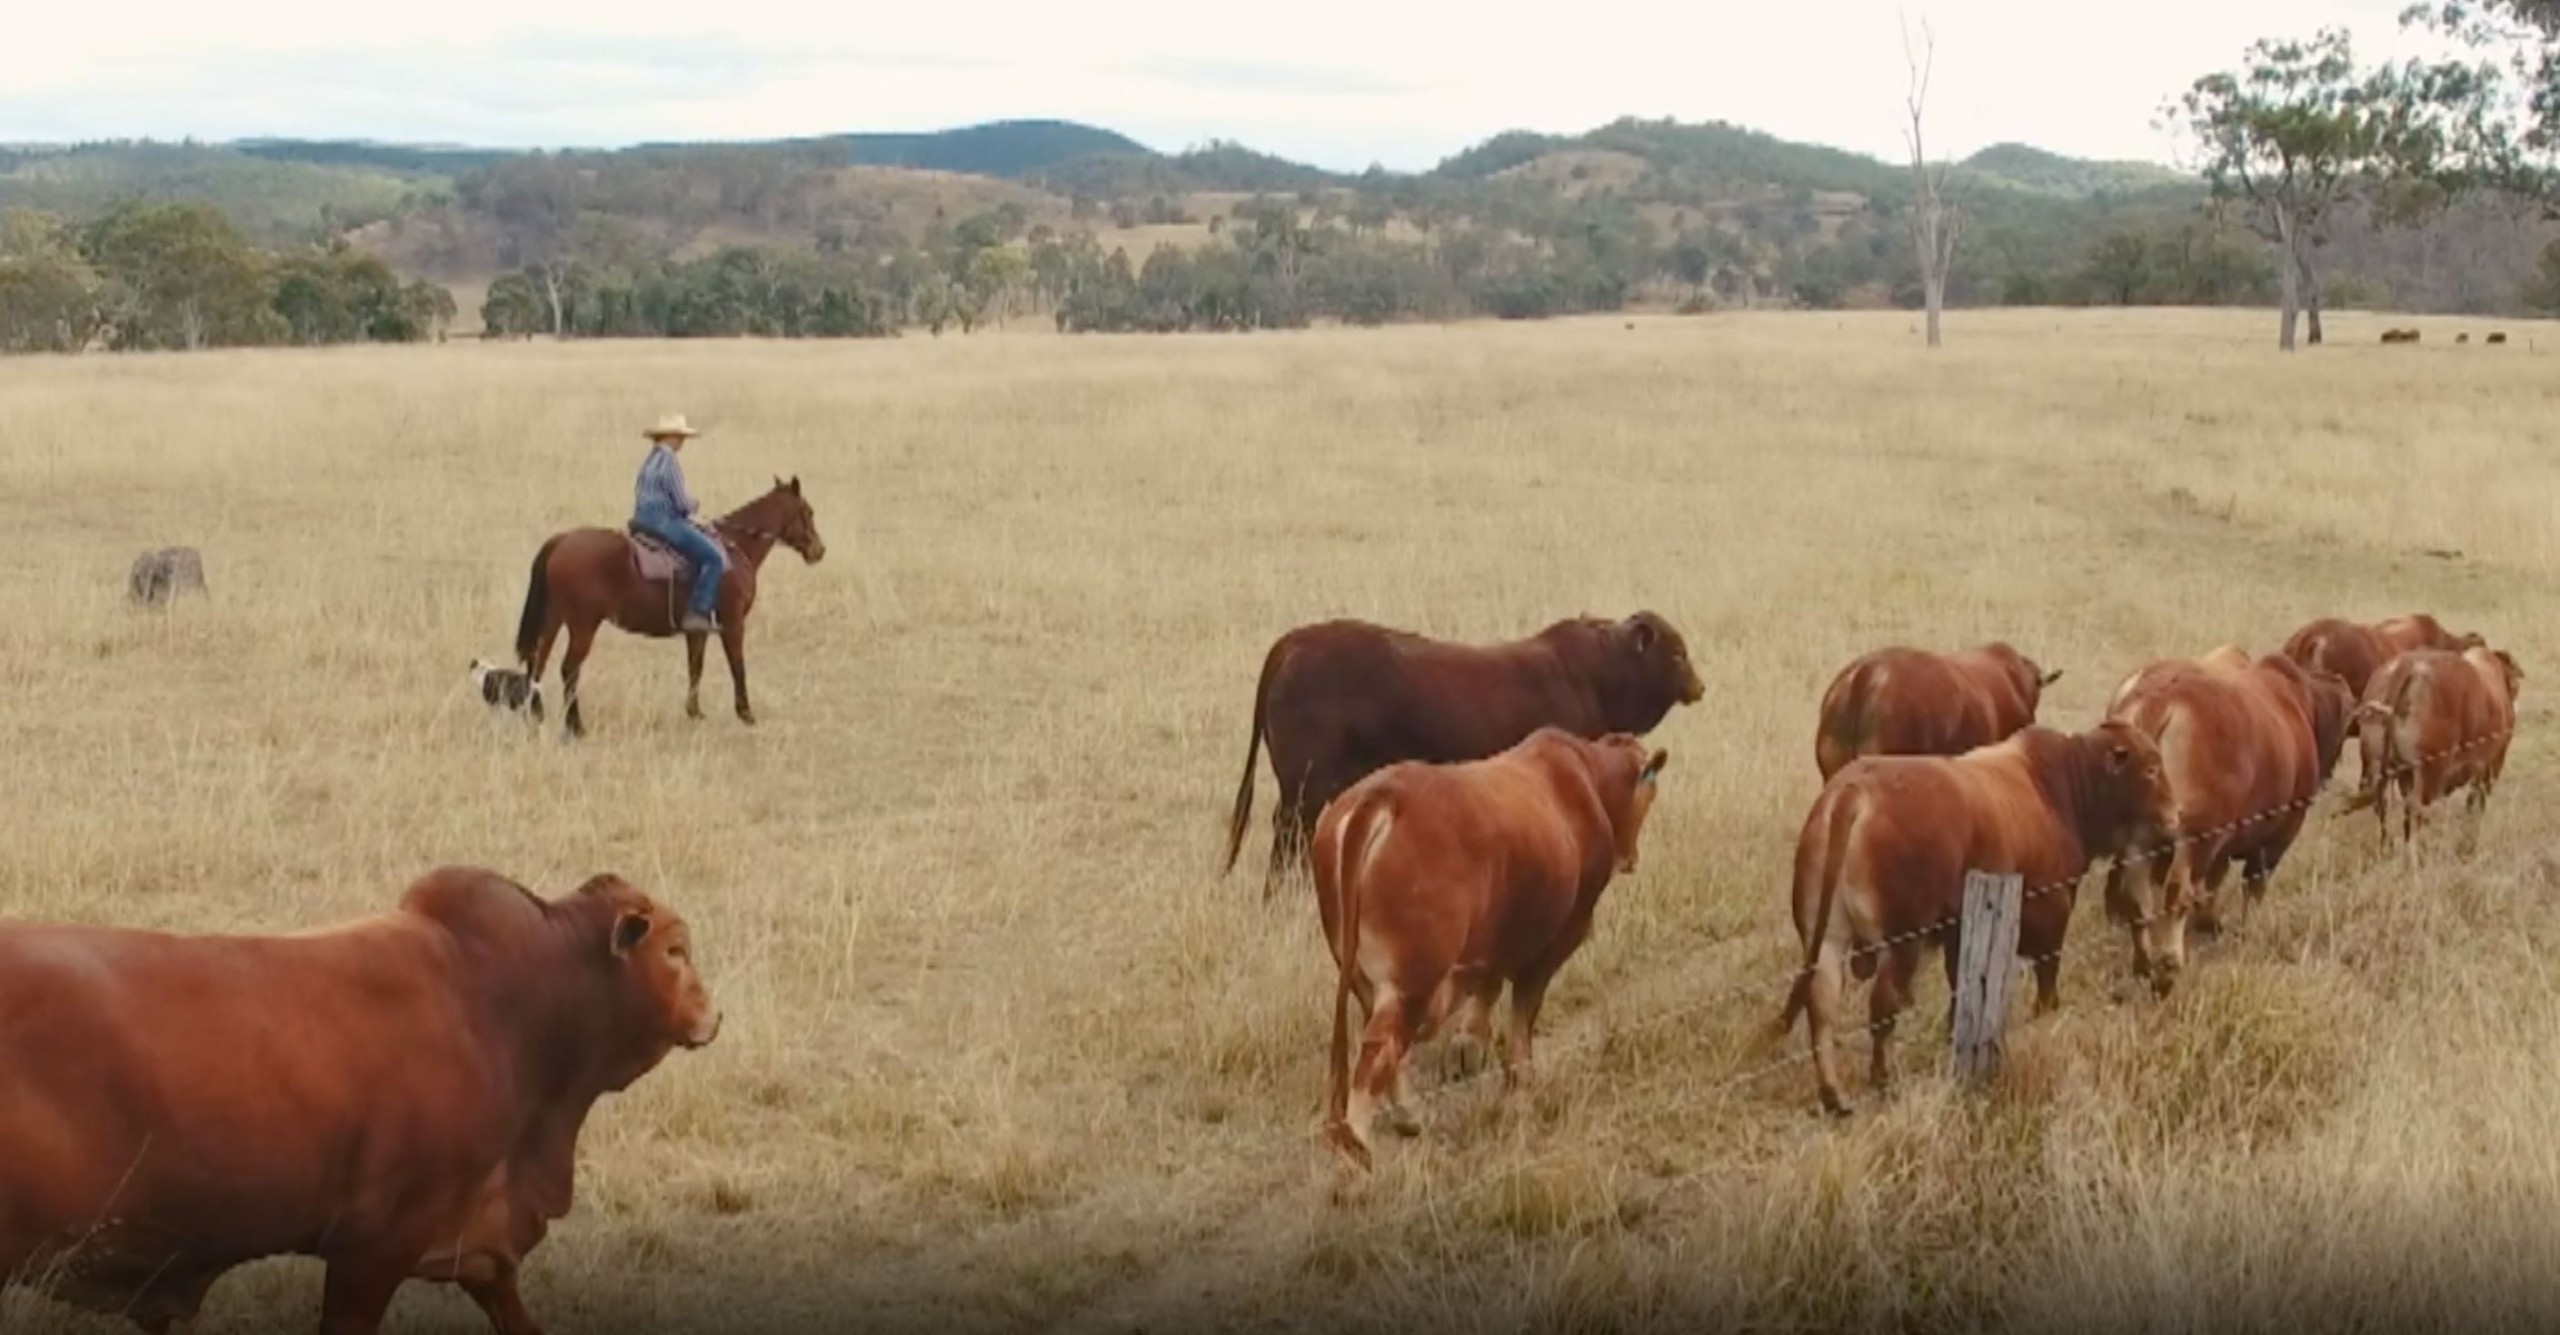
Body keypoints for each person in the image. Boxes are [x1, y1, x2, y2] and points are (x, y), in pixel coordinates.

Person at [630, 413, 727, 634]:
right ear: (671, 437)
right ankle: (698, 611)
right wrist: (694, 505)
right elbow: (681, 501)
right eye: (680, 437)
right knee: (713, 558)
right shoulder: (670, 461)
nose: (682, 442)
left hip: (640, 520)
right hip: (663, 522)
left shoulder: (650, 459)